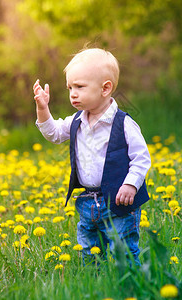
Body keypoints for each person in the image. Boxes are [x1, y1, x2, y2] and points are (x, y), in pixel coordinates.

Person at [33, 48, 151, 265]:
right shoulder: (77, 120)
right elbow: (53, 133)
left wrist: (131, 185)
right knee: (89, 250)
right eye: (70, 88)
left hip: (119, 202)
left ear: (105, 88)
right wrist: (43, 108)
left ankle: (127, 285)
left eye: (79, 86)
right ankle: (95, 282)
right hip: (88, 202)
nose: (73, 94)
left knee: (122, 251)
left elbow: (141, 158)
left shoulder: (124, 123)